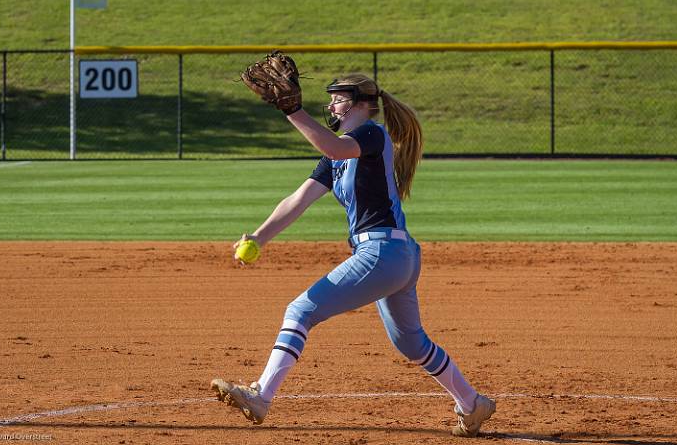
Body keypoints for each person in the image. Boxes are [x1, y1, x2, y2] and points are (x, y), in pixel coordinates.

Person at [211, 73, 496, 437]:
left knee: (300, 311)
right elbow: (298, 200)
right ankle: (473, 404)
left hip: (383, 252)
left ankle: (261, 396)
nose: (331, 105)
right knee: (411, 343)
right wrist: (259, 236)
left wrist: (293, 111)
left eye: (339, 99)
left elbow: (333, 146)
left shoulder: (371, 134)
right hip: (395, 255)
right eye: (330, 99)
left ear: (362, 103)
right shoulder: (337, 155)